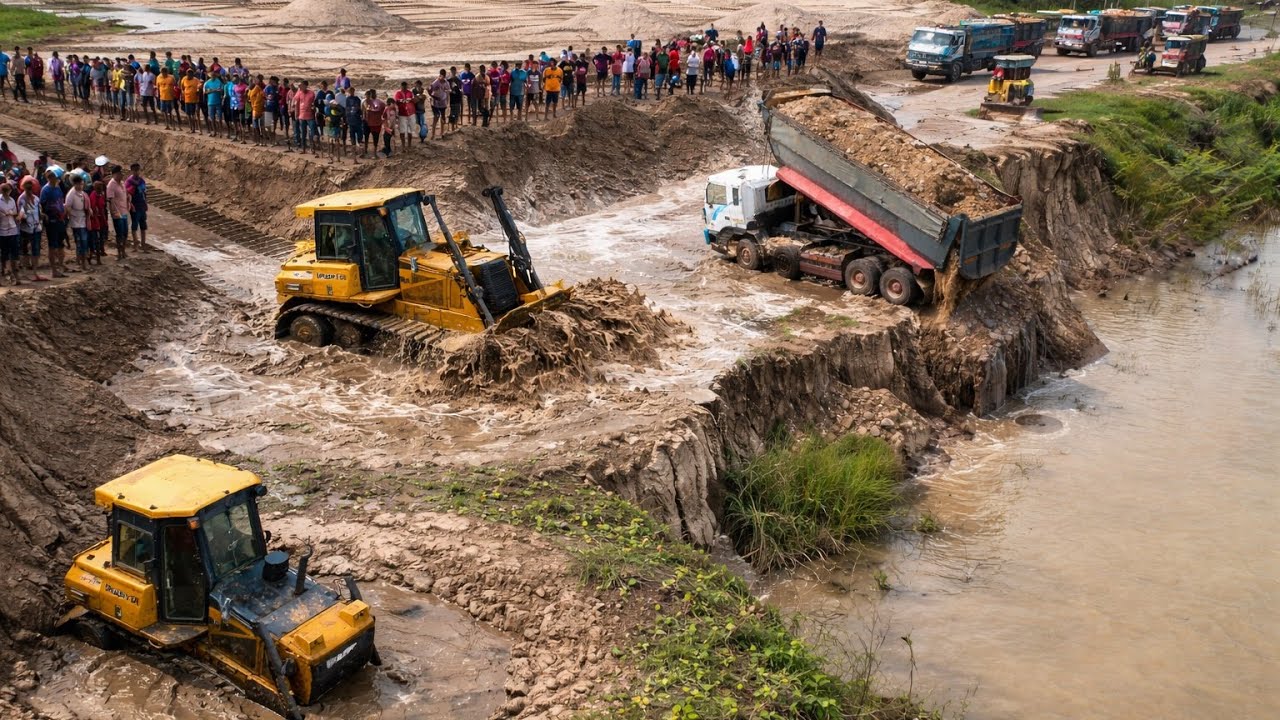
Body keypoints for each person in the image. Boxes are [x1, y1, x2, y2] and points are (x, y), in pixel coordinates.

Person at [39, 170, 67, 278]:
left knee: (60, 244)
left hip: (60, 219)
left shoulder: (57, 188)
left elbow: (60, 201)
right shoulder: (46, 190)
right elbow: (43, 205)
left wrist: (63, 212)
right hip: (52, 220)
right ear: (50, 178)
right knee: (52, 245)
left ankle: (59, 268)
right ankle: (54, 270)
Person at [17, 179, 44, 281]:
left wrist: (41, 216)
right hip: (26, 228)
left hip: (36, 227)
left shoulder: (36, 199)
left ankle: (35, 272)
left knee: (35, 249)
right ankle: (26, 271)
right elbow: (21, 214)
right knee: (25, 249)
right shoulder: (22, 199)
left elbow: (38, 211)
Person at [65, 174, 90, 272]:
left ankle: (83, 262)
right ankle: (81, 263)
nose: (81, 186)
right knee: (80, 242)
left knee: (84, 242)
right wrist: (73, 215)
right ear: (75, 184)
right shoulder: (71, 194)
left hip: (83, 219)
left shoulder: (83, 193)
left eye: (82, 184)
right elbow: (68, 207)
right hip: (76, 221)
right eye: (79, 184)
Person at [106, 166, 129, 260]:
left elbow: (125, 195)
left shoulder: (122, 183)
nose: (121, 174)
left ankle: (123, 250)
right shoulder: (111, 185)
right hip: (117, 213)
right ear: (114, 174)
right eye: (119, 173)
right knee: (119, 234)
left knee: (125, 233)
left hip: (124, 211)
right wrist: (113, 212)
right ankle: (120, 252)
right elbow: (110, 200)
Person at [126, 164, 149, 252]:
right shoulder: (129, 181)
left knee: (143, 226)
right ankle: (135, 245)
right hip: (134, 206)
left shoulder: (142, 180)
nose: (137, 172)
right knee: (134, 226)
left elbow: (144, 193)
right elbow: (127, 194)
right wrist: (130, 205)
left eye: (138, 170)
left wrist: (145, 204)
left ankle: (143, 245)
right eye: (135, 170)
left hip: (142, 206)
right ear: (131, 171)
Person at [291, 80, 317, 156]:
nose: (300, 87)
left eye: (301, 85)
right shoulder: (299, 93)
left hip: (310, 116)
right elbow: (296, 103)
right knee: (303, 133)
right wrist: (296, 114)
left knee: (312, 132)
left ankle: (312, 148)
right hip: (301, 116)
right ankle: (304, 149)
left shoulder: (311, 93)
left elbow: (313, 104)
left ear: (306, 85)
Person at [0, 183, 19, 285]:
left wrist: (11, 213)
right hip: (2, 229)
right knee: (4, 252)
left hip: (12, 228)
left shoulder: (12, 200)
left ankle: (12, 272)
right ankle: (4, 270)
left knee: (13, 251)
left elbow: (15, 212)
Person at [88, 179, 107, 264]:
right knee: (95, 239)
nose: (101, 189)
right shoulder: (93, 196)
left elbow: (102, 207)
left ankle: (99, 253)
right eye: (99, 188)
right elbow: (93, 209)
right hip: (95, 220)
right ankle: (95, 257)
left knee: (101, 238)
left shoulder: (101, 195)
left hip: (101, 219)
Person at [342, 86, 363, 163]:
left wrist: (354, 112)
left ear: (354, 91)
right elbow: (347, 109)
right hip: (351, 120)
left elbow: (358, 108)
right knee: (352, 136)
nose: (351, 92)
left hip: (357, 120)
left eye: (352, 91)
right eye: (349, 91)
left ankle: (360, 151)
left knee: (360, 135)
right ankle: (354, 153)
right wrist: (347, 118)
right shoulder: (347, 99)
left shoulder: (357, 99)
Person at [362, 89, 385, 157]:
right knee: (367, 136)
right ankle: (366, 150)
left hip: (375, 122)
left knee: (375, 137)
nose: (371, 95)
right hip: (368, 122)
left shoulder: (379, 102)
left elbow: (382, 111)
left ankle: (373, 152)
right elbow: (364, 110)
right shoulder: (365, 101)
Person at [393, 81, 415, 150]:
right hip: (402, 114)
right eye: (403, 87)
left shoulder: (410, 92)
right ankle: (403, 145)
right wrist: (401, 101)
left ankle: (409, 145)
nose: (404, 88)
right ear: (401, 86)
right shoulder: (398, 93)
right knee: (402, 130)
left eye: (405, 86)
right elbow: (395, 101)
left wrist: (410, 100)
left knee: (410, 130)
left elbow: (414, 100)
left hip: (410, 113)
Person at [429, 70, 449, 139]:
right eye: (441, 76)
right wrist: (434, 97)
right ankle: (433, 134)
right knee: (436, 117)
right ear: (440, 75)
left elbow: (447, 92)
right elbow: (429, 90)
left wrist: (447, 102)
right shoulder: (435, 82)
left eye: (444, 76)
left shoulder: (446, 83)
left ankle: (442, 133)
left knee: (443, 118)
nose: (443, 77)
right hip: (435, 103)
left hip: (443, 103)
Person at [413, 79, 428, 143]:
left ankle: (422, 137)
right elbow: (416, 99)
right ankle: (422, 136)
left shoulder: (422, 90)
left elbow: (422, 98)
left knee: (421, 124)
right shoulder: (414, 90)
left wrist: (417, 98)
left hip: (420, 110)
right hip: (417, 110)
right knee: (418, 124)